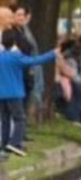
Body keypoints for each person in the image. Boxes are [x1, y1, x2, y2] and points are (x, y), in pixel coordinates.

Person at [0, 31, 57, 159]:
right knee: (19, 118)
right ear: (14, 42)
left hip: (1, 94)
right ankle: (15, 143)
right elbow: (34, 60)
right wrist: (52, 53)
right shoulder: (16, 56)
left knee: (5, 119)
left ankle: (3, 144)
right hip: (14, 93)